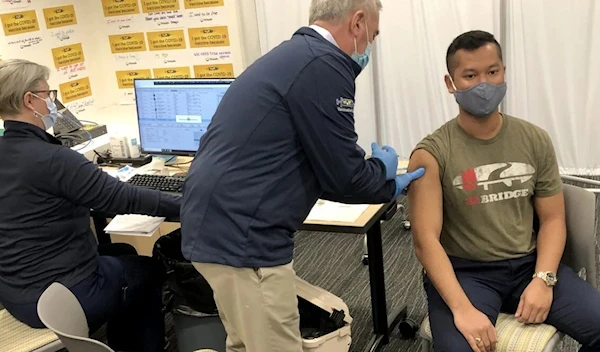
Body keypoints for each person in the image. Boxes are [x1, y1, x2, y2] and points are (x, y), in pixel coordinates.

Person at [180, 0, 425, 350]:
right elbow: (345, 178)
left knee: (246, 341)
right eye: (372, 35)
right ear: (357, 23)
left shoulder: (293, 56)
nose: (369, 46)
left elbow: (319, 155)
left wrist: (373, 175)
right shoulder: (325, 65)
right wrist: (386, 177)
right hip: (245, 240)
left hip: (219, 229)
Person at [407, 30, 600, 352]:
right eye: (470, 75)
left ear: (503, 73)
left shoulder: (534, 139)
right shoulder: (431, 152)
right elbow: (425, 240)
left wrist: (544, 278)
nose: (484, 84)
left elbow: (553, 219)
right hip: (466, 273)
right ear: (450, 83)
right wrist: (462, 309)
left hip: (528, 264)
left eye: (492, 72)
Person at [0, 59, 181, 352]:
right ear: (29, 100)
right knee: (147, 271)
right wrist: (192, 203)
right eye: (48, 95)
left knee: (121, 252)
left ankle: (121, 333)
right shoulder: (54, 160)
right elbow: (126, 198)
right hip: (58, 298)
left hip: (16, 291)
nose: (53, 105)